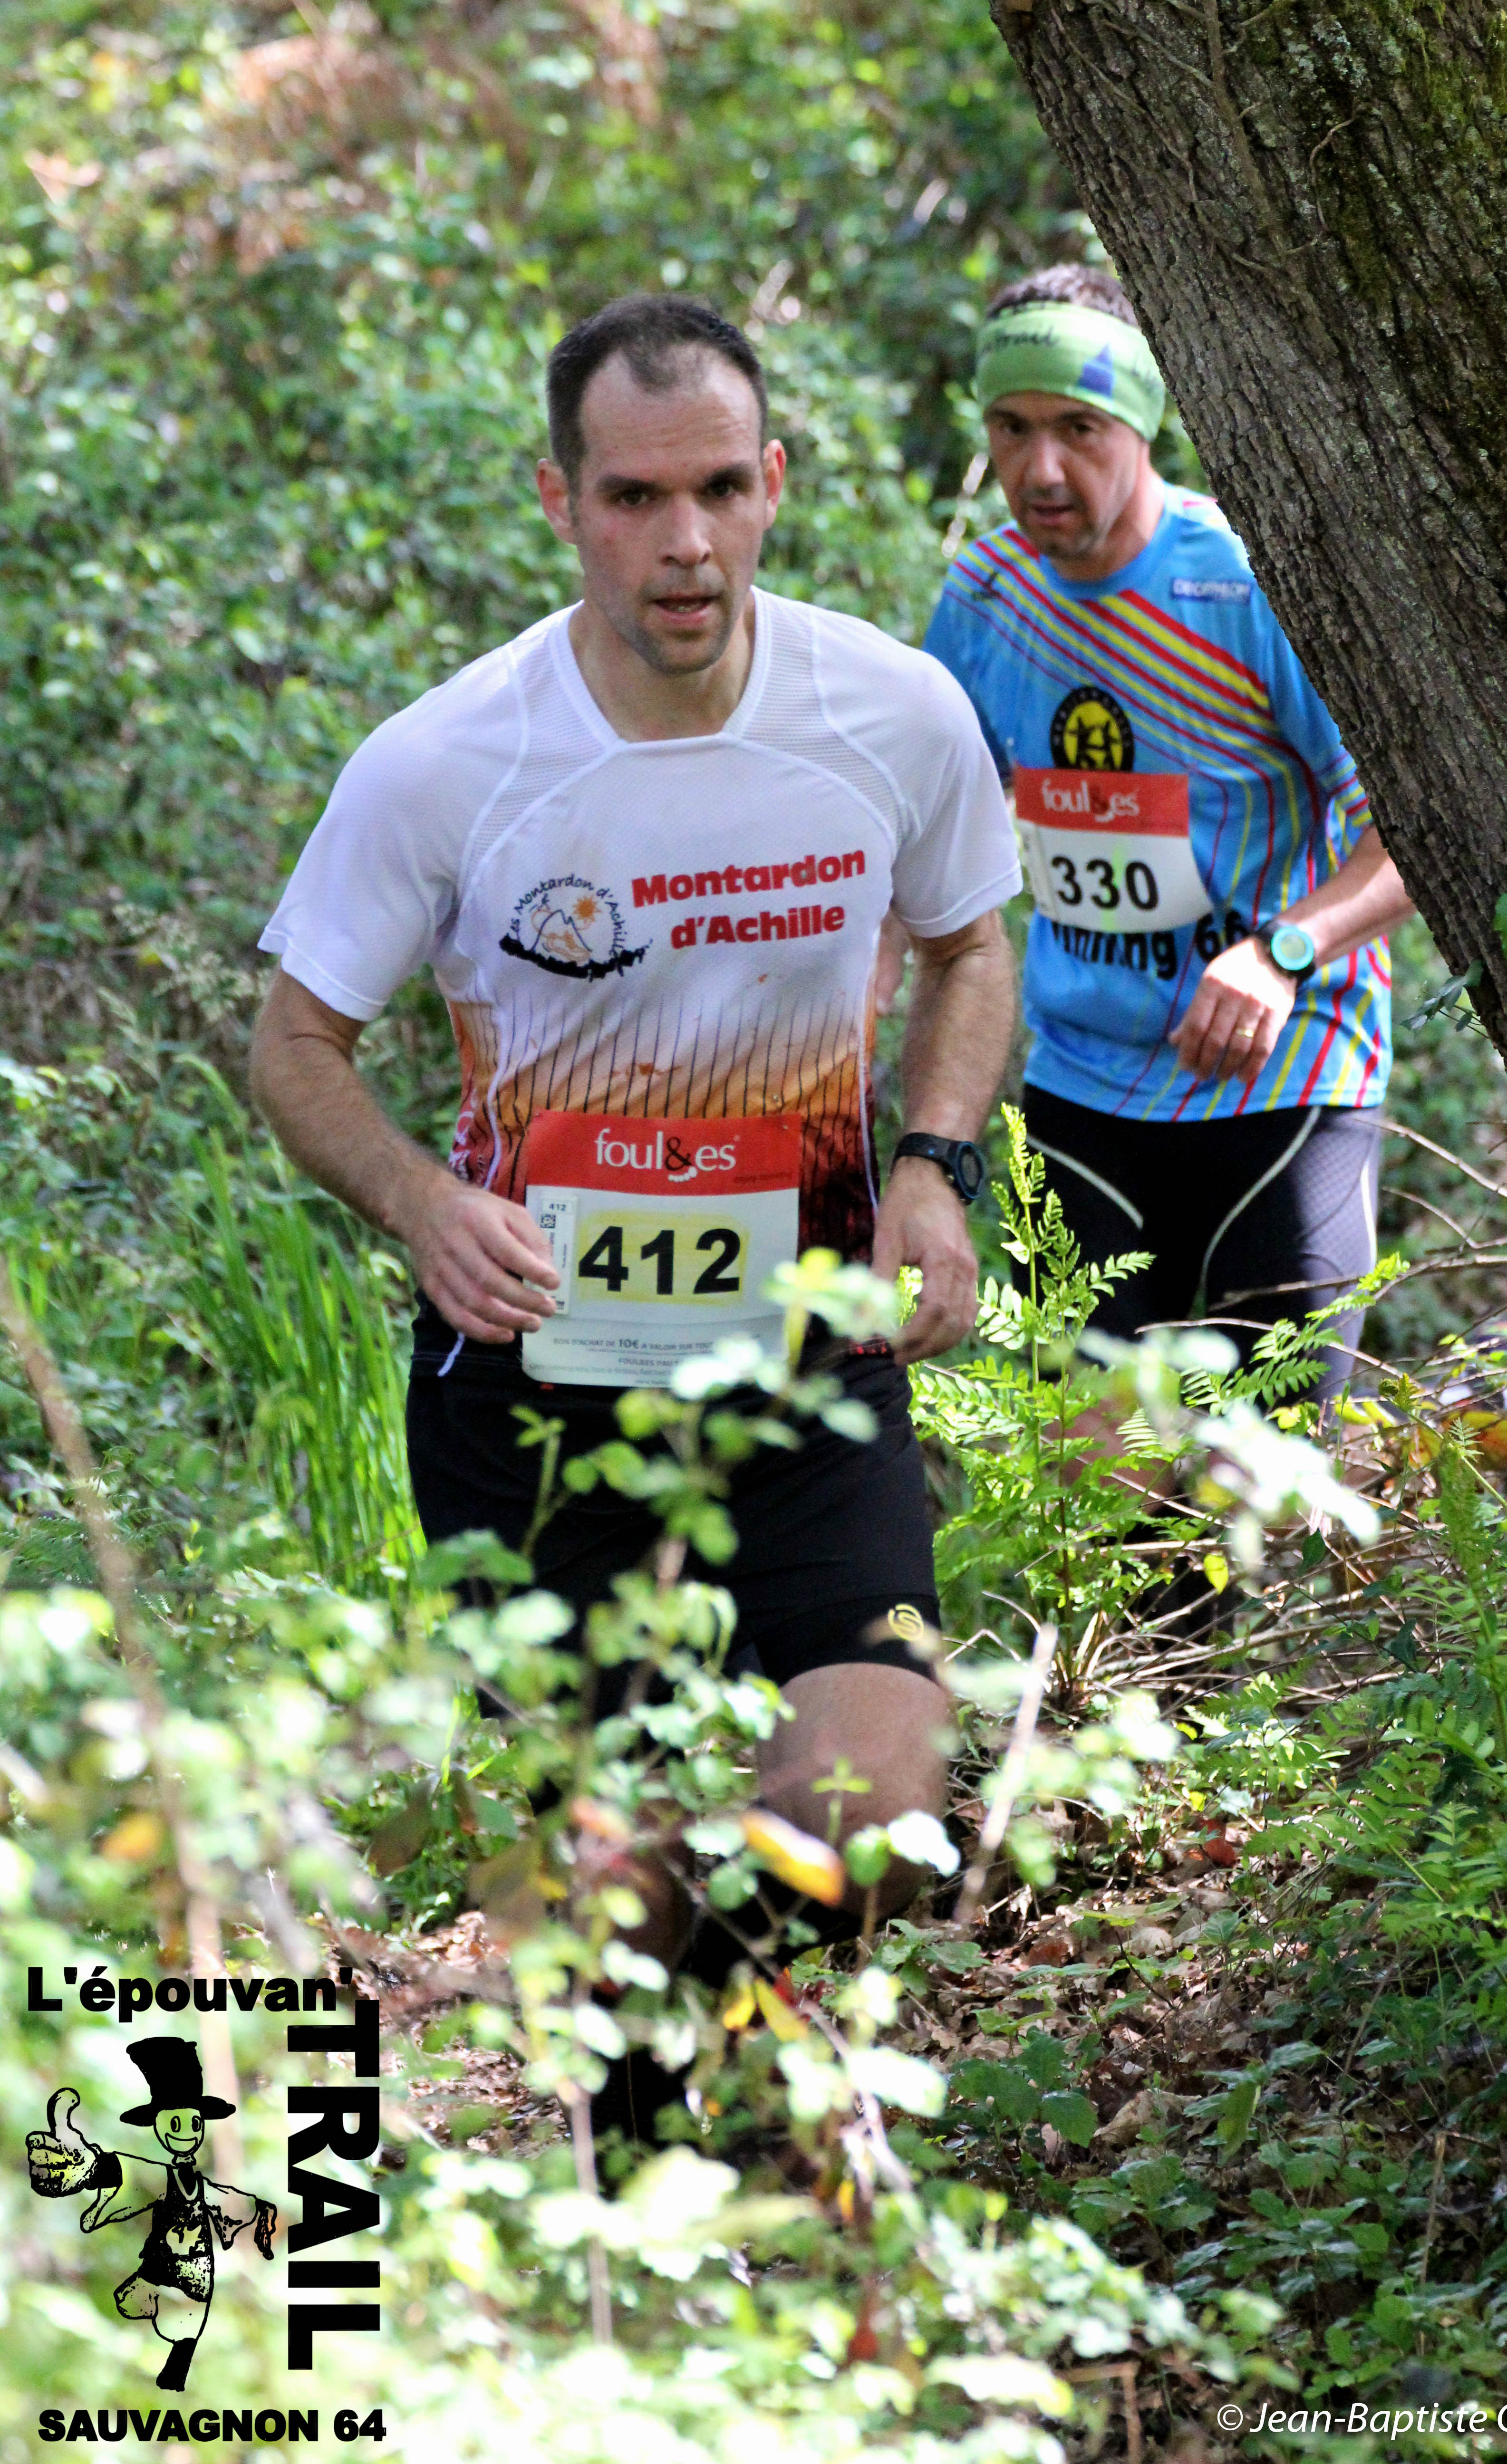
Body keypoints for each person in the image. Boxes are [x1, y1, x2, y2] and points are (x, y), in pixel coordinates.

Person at [249, 294, 1021, 2130]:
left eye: (720, 490)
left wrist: (932, 1167)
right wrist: (424, 1202)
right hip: (536, 1391)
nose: (684, 541)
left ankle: (721, 2083)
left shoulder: (888, 714)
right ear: (559, 500)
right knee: (609, 1897)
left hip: (805, 1363)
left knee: (874, 1811)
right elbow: (294, 1043)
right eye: (633, 497)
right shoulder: (447, 760)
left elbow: (971, 948)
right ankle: (645, 2155)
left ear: (776, 486)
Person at [923, 265, 1415, 1436]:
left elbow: (1416, 836)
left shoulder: (1243, 582)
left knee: (1264, 1480)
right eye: (1011, 428)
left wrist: (1282, 951)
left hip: (1287, 1080)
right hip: (1085, 1090)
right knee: (1103, 1498)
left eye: (1078, 428)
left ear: (1140, 424)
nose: (1042, 469)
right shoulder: (986, 597)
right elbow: (923, 846)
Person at [27, 2040, 277, 2392]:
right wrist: (90, 2168)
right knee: (147, 2308)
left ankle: (176, 2370)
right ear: (159, 2126)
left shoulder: (199, 2185)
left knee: (187, 2329)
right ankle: (170, 2367)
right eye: (176, 2122)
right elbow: (120, 2169)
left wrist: (262, 2215)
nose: (187, 2132)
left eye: (194, 2122)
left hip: (195, 2271)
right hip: (164, 2268)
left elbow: (230, 2200)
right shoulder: (167, 2177)